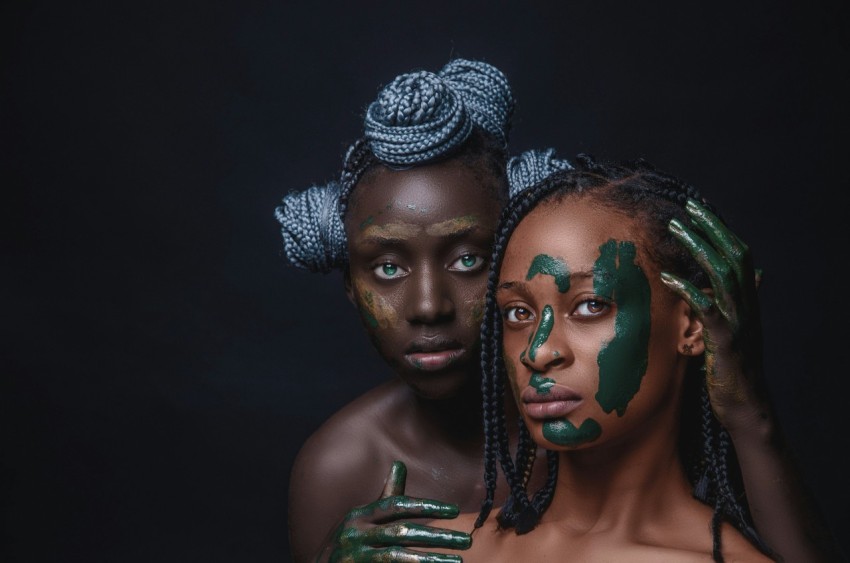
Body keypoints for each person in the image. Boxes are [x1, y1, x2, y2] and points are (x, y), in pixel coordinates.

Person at [276, 60, 836, 562]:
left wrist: (750, 413)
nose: (428, 306)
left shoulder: (608, 416)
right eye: (518, 313)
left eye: (470, 260)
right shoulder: (374, 495)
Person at [419, 151, 837, 562]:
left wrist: (750, 414)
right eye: (518, 313)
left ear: (693, 323)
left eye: (590, 305)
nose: (538, 351)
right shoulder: (431, 552)